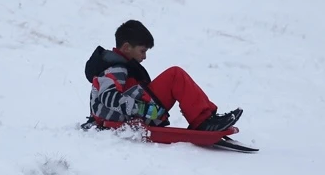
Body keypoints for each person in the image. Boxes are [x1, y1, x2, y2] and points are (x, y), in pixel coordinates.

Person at [82, 19, 242, 131]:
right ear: (126, 47)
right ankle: (203, 121)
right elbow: (108, 97)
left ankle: (207, 118)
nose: (144, 56)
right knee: (175, 75)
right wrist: (143, 109)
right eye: (142, 51)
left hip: (136, 113)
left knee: (175, 75)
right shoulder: (113, 68)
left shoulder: (121, 67)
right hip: (126, 118)